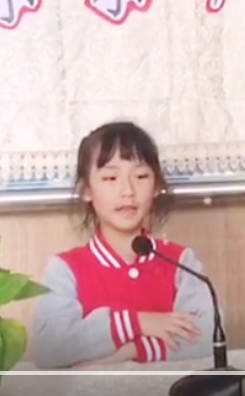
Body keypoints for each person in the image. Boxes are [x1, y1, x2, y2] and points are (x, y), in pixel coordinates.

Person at [32, 121, 215, 368]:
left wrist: (132, 351)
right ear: (86, 190)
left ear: (156, 186)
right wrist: (137, 323)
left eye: (141, 176)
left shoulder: (182, 260)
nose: (127, 191)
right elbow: (51, 350)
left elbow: (208, 339)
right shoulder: (64, 268)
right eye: (110, 177)